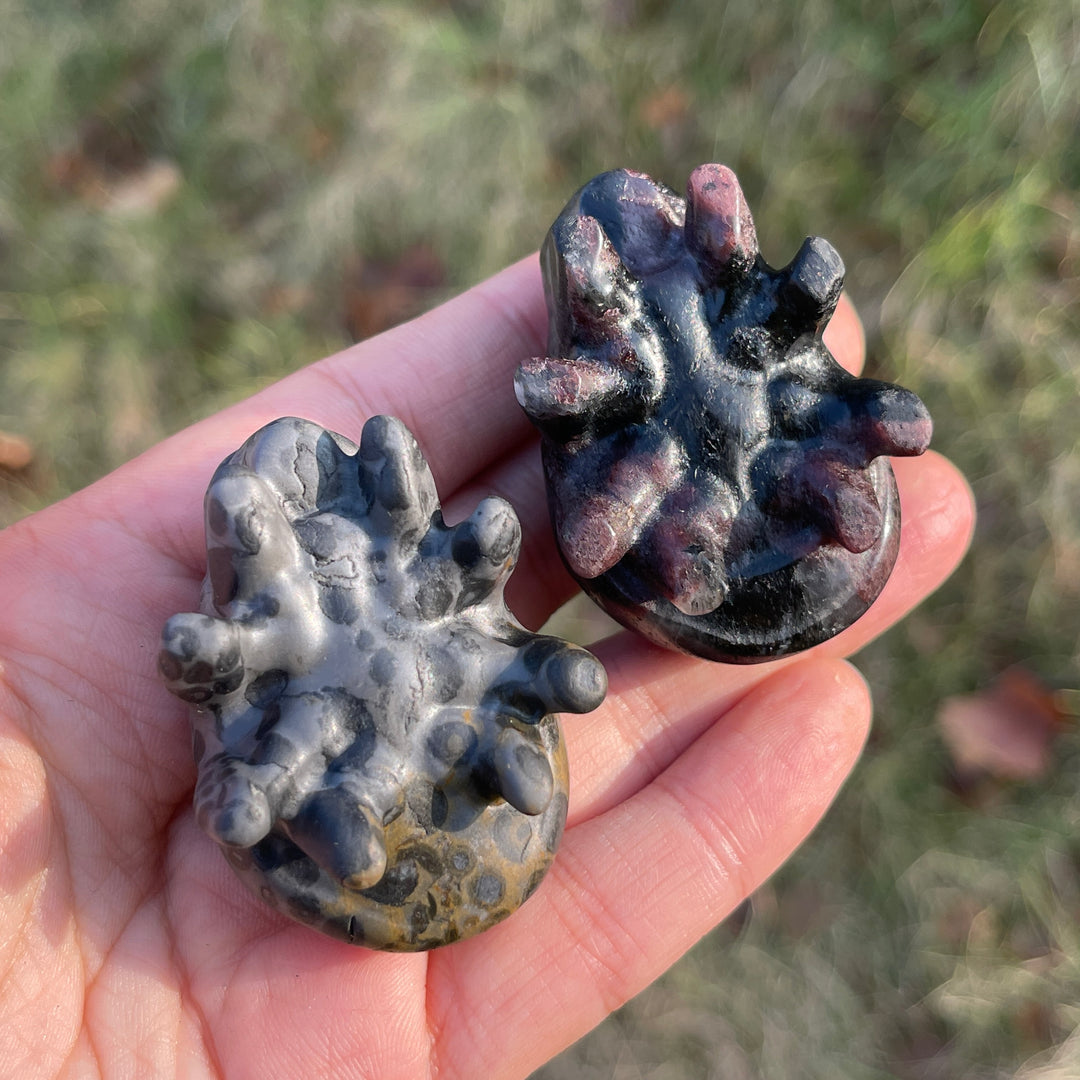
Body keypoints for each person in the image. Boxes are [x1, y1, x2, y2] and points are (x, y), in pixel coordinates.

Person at [0, 256, 973, 1079]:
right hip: (365, 699)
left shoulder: (348, 571)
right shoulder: (327, 586)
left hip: (411, 683)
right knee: (349, 732)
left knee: (378, 706)